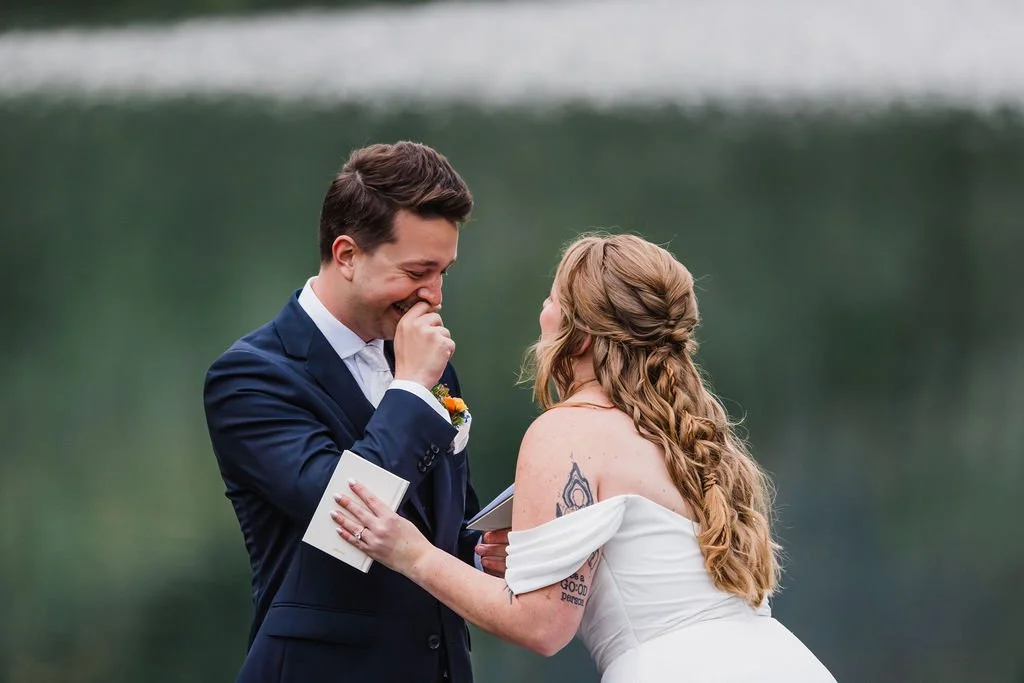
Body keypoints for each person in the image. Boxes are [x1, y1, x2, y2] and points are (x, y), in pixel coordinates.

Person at [334, 233, 838, 682]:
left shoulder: (568, 430)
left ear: (580, 334)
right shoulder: (698, 436)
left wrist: (411, 553)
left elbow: (541, 625)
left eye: (553, 298)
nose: (542, 311)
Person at [204, 141, 505, 683]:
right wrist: (411, 388)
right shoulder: (249, 379)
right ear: (346, 256)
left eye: (444, 272)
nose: (434, 296)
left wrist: (484, 554)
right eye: (418, 271)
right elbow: (349, 514)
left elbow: (443, 526)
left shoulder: (422, 358)